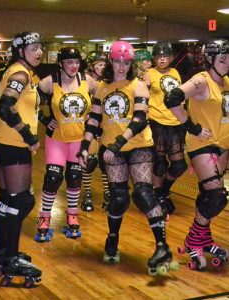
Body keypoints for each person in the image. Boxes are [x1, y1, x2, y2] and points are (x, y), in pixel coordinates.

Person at [78, 41, 177, 274]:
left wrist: (118, 144)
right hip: (112, 148)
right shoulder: (103, 88)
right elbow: (93, 120)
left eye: (126, 62)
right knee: (119, 199)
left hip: (138, 145)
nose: (121, 66)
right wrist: (85, 146)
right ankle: (112, 238)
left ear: (131, 63)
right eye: (117, 61)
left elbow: (140, 119)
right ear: (111, 61)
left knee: (143, 194)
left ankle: (162, 246)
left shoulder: (139, 85)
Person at [164, 40, 229, 271]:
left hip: (222, 145)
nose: (227, 63)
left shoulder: (226, 82)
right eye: (223, 59)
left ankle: (204, 239)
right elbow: (171, 98)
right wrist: (191, 127)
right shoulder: (202, 80)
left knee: (206, 196)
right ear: (210, 59)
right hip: (202, 144)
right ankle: (194, 238)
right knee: (216, 196)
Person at [0, 31, 42, 286]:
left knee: (6, 201)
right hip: (13, 144)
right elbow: (5, 106)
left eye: (40, 47)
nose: (39, 52)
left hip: (3, 141)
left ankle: (2, 254)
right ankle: (10, 257)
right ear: (21, 51)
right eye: (33, 48)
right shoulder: (20, 74)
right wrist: (28, 135)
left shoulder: (19, 72)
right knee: (22, 201)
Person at [35, 47, 97, 242]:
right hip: (57, 139)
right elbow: (28, 101)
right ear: (61, 64)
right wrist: (44, 120)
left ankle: (72, 215)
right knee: (53, 178)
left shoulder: (87, 81)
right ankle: (44, 218)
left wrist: (94, 115)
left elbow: (104, 96)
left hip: (79, 139)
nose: (74, 66)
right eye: (69, 62)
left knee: (74, 177)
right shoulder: (50, 81)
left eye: (77, 62)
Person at [144, 42, 187, 219]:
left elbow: (181, 96)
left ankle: (162, 192)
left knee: (179, 164)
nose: (162, 59)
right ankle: (158, 198)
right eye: (159, 56)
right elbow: (141, 96)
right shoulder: (149, 74)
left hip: (175, 122)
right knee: (160, 163)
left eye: (165, 56)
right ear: (154, 58)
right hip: (157, 121)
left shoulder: (175, 73)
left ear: (170, 58)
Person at [80, 51, 110, 211]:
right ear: (91, 66)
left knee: (106, 161)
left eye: (104, 65)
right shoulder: (84, 81)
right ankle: (87, 193)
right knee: (90, 161)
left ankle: (107, 193)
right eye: (99, 65)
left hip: (104, 125)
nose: (102, 68)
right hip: (89, 124)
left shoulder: (107, 81)